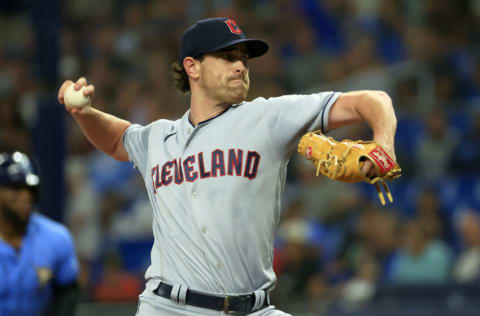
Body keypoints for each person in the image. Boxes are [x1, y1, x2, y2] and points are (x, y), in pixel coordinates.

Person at [58, 17, 398, 315]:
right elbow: (118, 140)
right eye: (227, 56)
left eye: (243, 59)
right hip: (168, 308)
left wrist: (384, 145)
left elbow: (374, 100)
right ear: (192, 67)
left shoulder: (267, 117)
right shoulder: (158, 138)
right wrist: (84, 114)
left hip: (254, 308)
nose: (240, 66)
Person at [0, 151, 80, 316]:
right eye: (16, 188)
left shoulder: (56, 237)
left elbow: (68, 291)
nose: (25, 196)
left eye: (30, 189)